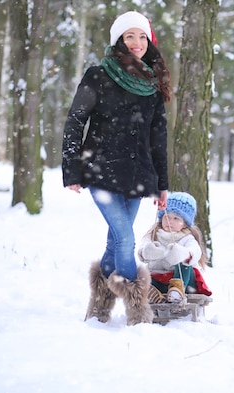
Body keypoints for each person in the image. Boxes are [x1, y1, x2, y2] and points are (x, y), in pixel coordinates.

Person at [62, 11, 171, 326]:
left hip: (138, 177)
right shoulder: (98, 75)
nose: (137, 43)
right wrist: (72, 170)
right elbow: (75, 121)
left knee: (114, 241)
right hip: (100, 172)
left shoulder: (152, 82)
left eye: (141, 37)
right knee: (125, 239)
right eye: (129, 36)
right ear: (119, 41)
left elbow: (157, 137)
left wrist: (162, 183)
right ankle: (139, 309)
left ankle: (98, 307)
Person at [137, 192, 212, 306]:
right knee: (141, 276)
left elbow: (196, 251)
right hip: (159, 279)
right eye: (166, 216)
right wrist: (147, 251)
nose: (170, 221)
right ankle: (153, 294)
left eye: (176, 218)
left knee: (185, 265)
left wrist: (184, 254)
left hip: (185, 282)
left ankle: (176, 290)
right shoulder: (154, 235)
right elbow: (142, 250)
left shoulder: (187, 238)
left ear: (185, 224)